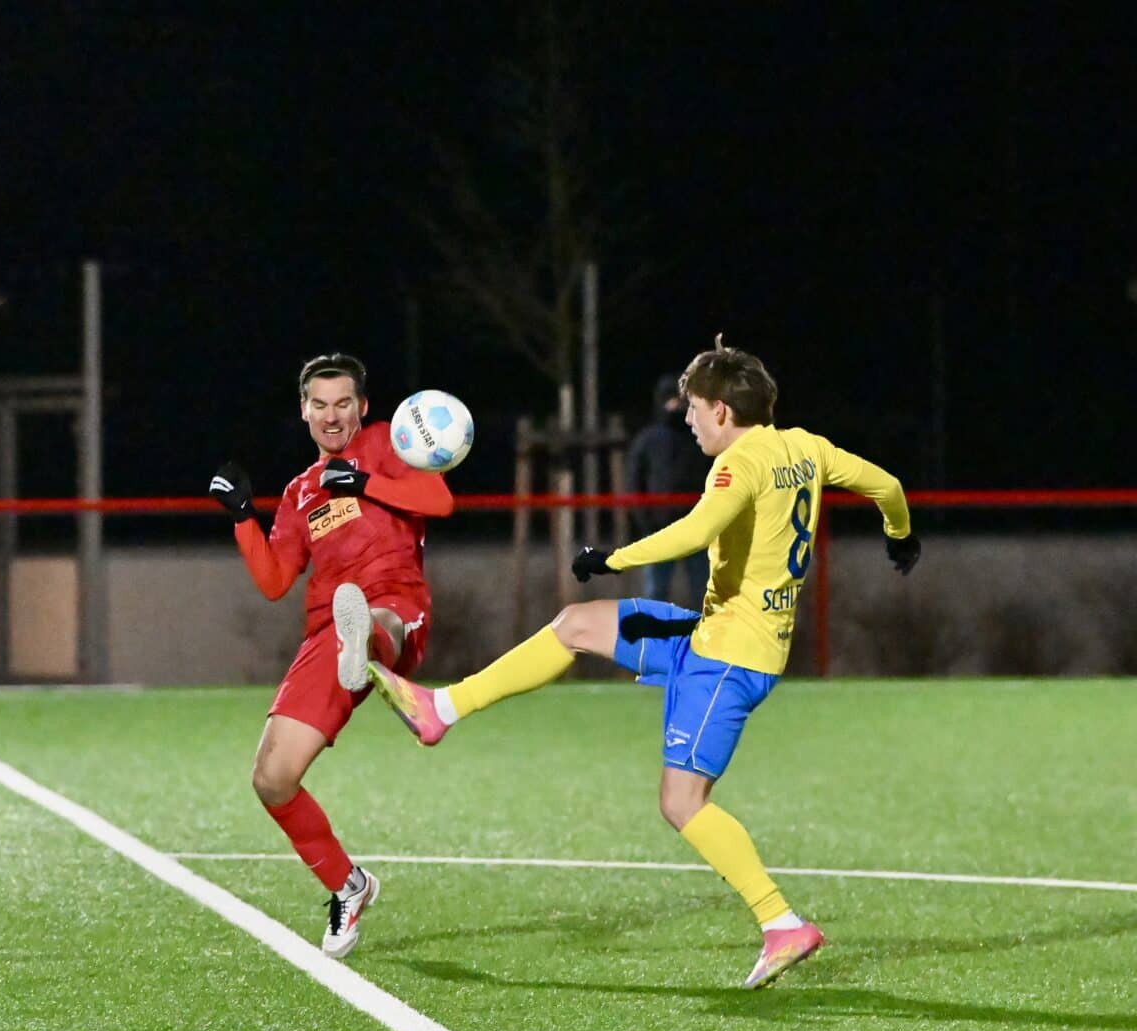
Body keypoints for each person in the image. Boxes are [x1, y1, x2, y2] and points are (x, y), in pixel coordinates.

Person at [366, 337, 921, 988]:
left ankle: (781, 922)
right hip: (712, 634)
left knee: (683, 802)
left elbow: (692, 530)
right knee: (576, 624)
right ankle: (441, 708)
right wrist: (900, 533)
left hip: (728, 661)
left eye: (692, 408)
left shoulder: (738, 464)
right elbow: (887, 484)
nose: (685, 420)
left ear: (720, 410)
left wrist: (611, 557)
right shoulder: (807, 447)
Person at [209, 354, 454, 957]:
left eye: (343, 402)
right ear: (304, 411)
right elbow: (274, 581)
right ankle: (349, 884)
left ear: (362, 407)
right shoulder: (299, 495)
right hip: (327, 635)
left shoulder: (388, 444)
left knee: (377, 619)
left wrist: (365, 482)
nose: (331, 415)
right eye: (319, 405)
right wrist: (243, 516)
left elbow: (439, 501)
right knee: (271, 778)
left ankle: (368, 644)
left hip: (394, 607)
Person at [624, 371, 709, 606]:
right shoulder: (648, 439)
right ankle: (654, 642)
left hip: (695, 529)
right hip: (659, 529)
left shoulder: (699, 437)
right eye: (670, 398)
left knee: (703, 592)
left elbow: (712, 477)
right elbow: (633, 481)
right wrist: (645, 521)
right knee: (655, 593)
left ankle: (705, 642)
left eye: (680, 398)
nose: (675, 404)